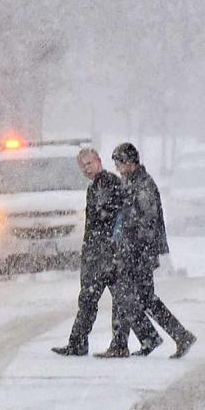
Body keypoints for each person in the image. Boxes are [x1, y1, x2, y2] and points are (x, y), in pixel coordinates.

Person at [104, 142, 196, 360]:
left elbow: (148, 221)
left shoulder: (143, 185)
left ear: (131, 162)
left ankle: (172, 336)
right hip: (132, 250)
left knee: (135, 297)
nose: (118, 168)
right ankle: (160, 337)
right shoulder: (131, 182)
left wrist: (136, 245)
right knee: (139, 298)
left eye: (120, 163)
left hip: (139, 252)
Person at [51, 146, 129, 357]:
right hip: (100, 251)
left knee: (99, 298)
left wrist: (106, 246)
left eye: (89, 163)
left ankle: (106, 344)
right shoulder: (97, 185)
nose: (86, 169)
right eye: (82, 166)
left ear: (99, 161)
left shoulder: (106, 183)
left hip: (105, 252)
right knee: (103, 298)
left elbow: (107, 217)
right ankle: (86, 342)